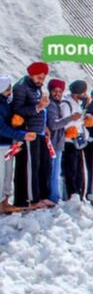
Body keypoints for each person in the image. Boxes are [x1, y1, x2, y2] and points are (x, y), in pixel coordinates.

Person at [13, 62, 50, 208]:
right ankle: (29, 200)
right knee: (28, 166)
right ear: (31, 75)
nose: (41, 80)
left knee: (36, 165)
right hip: (27, 132)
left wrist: (44, 125)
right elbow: (17, 109)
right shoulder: (22, 87)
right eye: (39, 77)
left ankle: (35, 196)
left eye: (43, 78)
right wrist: (38, 107)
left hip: (37, 131)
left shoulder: (36, 88)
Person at [0, 75, 37, 213]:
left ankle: (4, 201)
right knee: (1, 174)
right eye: (8, 88)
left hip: (7, 144)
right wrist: (22, 135)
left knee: (7, 174)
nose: (10, 91)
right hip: (1, 145)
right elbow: (1, 128)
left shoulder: (5, 103)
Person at [46, 78, 75, 203]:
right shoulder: (52, 105)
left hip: (57, 144)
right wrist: (70, 119)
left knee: (55, 172)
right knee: (54, 173)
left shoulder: (57, 105)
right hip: (53, 145)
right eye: (54, 91)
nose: (57, 93)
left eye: (60, 91)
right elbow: (53, 125)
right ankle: (54, 197)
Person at [60, 80, 88, 201]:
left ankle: (79, 195)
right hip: (69, 142)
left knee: (79, 173)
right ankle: (71, 195)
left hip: (78, 142)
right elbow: (66, 123)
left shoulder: (77, 104)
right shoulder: (66, 104)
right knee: (70, 171)